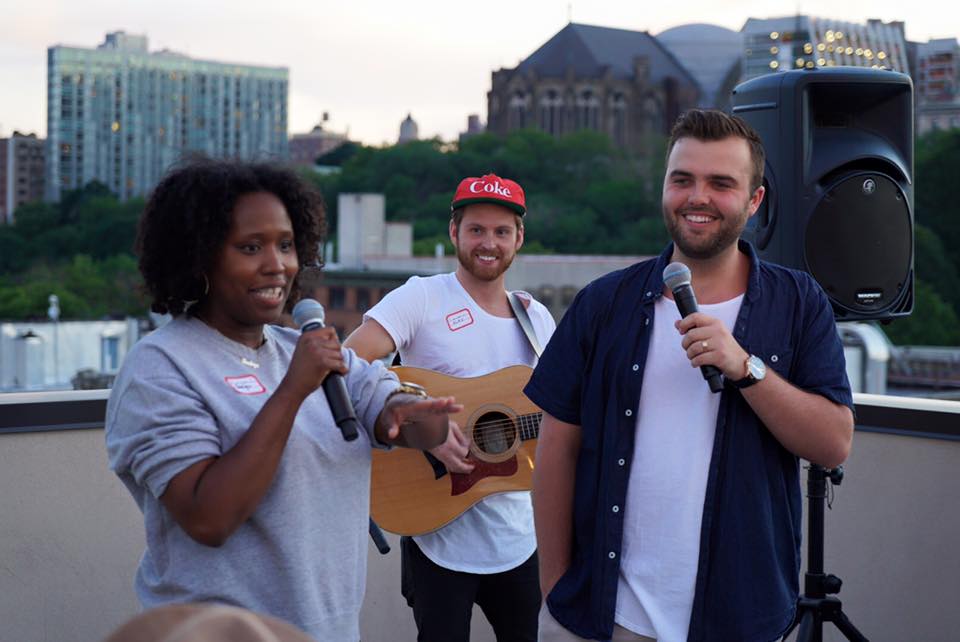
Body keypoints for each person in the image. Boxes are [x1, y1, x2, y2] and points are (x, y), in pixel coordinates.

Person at [525, 110, 855, 642]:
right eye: (683, 179)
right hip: (605, 617)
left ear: (754, 201)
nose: (697, 197)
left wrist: (746, 368)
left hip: (741, 618)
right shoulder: (602, 304)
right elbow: (557, 450)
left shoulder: (798, 304)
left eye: (720, 183)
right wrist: (556, 591)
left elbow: (833, 444)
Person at [105, 158, 460, 641]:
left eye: (287, 245)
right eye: (251, 247)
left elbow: (395, 412)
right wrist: (294, 389)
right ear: (198, 257)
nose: (278, 265)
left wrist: (418, 418)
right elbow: (210, 517)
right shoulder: (160, 368)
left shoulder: (307, 350)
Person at [344, 173, 555, 641]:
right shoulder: (422, 297)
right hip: (435, 528)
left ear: (518, 238)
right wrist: (424, 429)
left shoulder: (535, 318)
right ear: (454, 231)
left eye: (502, 232)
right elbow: (346, 366)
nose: (488, 243)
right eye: (476, 229)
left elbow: (560, 412)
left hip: (519, 537)